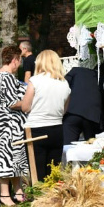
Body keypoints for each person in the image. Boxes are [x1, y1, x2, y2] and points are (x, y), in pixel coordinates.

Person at [18, 49, 71, 182]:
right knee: (53, 171)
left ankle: (38, 198)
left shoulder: (35, 81)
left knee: (37, 172)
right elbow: (64, 110)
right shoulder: (64, 83)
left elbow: (25, 107)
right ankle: (51, 199)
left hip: (36, 129)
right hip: (57, 129)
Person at [0, 45, 28, 207]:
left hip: (11, 123)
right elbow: (13, 103)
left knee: (15, 158)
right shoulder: (5, 78)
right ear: (14, 60)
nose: (19, 64)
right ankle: (4, 194)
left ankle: (18, 190)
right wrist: (29, 102)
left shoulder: (1, 77)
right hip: (9, 124)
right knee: (7, 159)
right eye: (19, 60)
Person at [62, 65, 104, 145]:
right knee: (91, 148)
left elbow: (63, 85)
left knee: (66, 147)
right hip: (92, 116)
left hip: (73, 112)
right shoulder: (103, 78)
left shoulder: (76, 70)